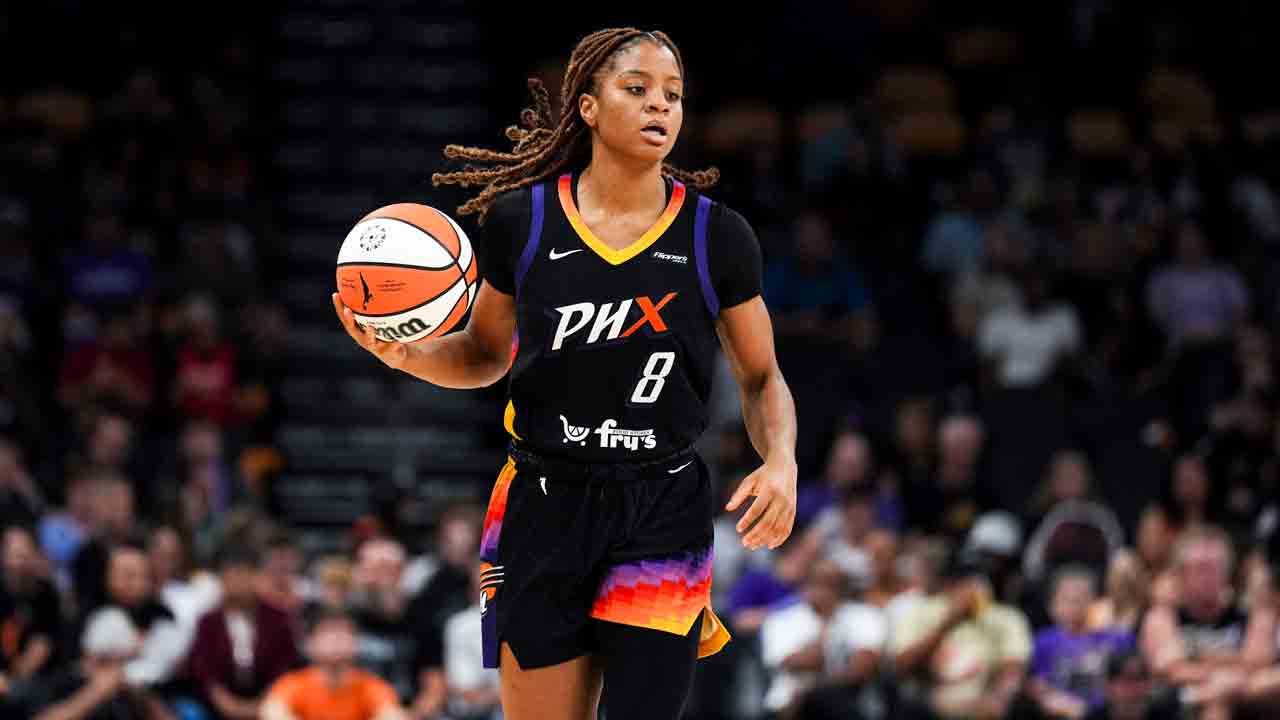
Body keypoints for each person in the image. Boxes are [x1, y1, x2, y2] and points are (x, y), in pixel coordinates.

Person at [334, 27, 797, 720]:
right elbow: (484, 356)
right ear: (588, 106)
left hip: (661, 503)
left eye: (672, 95)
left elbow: (762, 378)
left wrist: (781, 461)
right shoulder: (521, 223)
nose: (660, 106)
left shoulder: (717, 236)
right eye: (637, 89)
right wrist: (406, 355)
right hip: (542, 501)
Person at [1139, 525, 1276, 720]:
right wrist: (1227, 673)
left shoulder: (1254, 616)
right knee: (1216, 701)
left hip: (1244, 701)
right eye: (1201, 568)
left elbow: (1257, 663)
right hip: (1182, 706)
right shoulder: (1162, 617)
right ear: (1181, 575)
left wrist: (1195, 659)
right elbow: (1169, 669)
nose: (1208, 577)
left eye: (1216, 568)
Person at [890, 550, 1032, 720]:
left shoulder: (1007, 617)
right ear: (948, 583)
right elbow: (902, 666)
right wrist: (949, 622)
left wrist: (999, 698)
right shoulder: (921, 611)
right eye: (964, 580)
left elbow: (1014, 666)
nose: (972, 588)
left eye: (979, 580)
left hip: (984, 702)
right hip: (928, 702)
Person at [758, 559, 885, 719]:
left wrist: (819, 683)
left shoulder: (866, 616)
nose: (824, 592)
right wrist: (826, 624)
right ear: (805, 585)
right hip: (790, 707)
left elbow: (863, 668)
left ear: (843, 588)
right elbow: (798, 662)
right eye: (818, 583)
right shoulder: (781, 620)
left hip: (850, 703)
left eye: (832, 585)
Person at [188, 545, 300, 720]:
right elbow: (204, 672)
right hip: (217, 708)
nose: (238, 582)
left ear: (258, 576)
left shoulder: (279, 618)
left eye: (244, 574)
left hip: (272, 703)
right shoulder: (208, 622)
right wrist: (229, 706)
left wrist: (262, 705)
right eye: (231, 575)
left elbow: (285, 667)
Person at [1026, 567, 1135, 719]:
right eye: (1067, 599)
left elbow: (1129, 681)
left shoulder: (1118, 638)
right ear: (1053, 605)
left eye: (1081, 598)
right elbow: (1037, 685)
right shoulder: (1044, 641)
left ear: (1095, 601)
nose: (1074, 605)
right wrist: (1056, 701)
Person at [261, 607, 406, 720]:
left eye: (344, 632)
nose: (336, 638)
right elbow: (272, 712)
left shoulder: (372, 687)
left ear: (356, 643)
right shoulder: (293, 684)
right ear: (310, 643)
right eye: (328, 632)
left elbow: (393, 715)